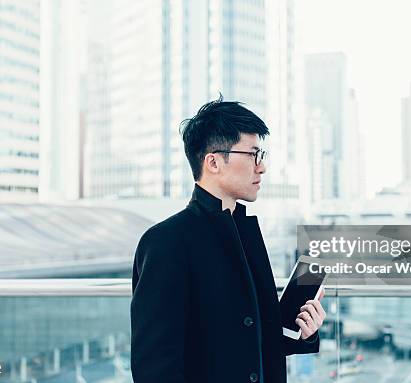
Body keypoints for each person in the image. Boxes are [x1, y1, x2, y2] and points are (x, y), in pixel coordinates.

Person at [130, 96, 326, 383]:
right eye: (253, 155)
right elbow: (155, 367)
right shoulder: (165, 241)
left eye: (262, 156)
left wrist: (304, 333)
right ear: (213, 162)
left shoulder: (246, 235)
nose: (262, 167)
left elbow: (252, 345)